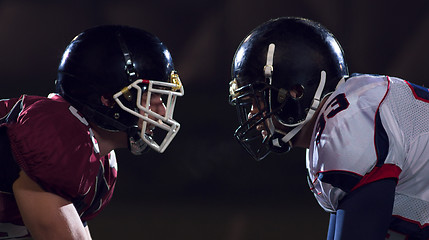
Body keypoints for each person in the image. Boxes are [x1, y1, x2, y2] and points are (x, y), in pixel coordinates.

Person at [228, 16, 429, 239]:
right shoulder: (344, 116)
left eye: (259, 100)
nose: (252, 113)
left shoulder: (344, 129)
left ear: (296, 92)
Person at [0, 25, 184, 239]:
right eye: (149, 98)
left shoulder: (98, 161)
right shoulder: (61, 137)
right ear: (107, 99)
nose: (161, 111)